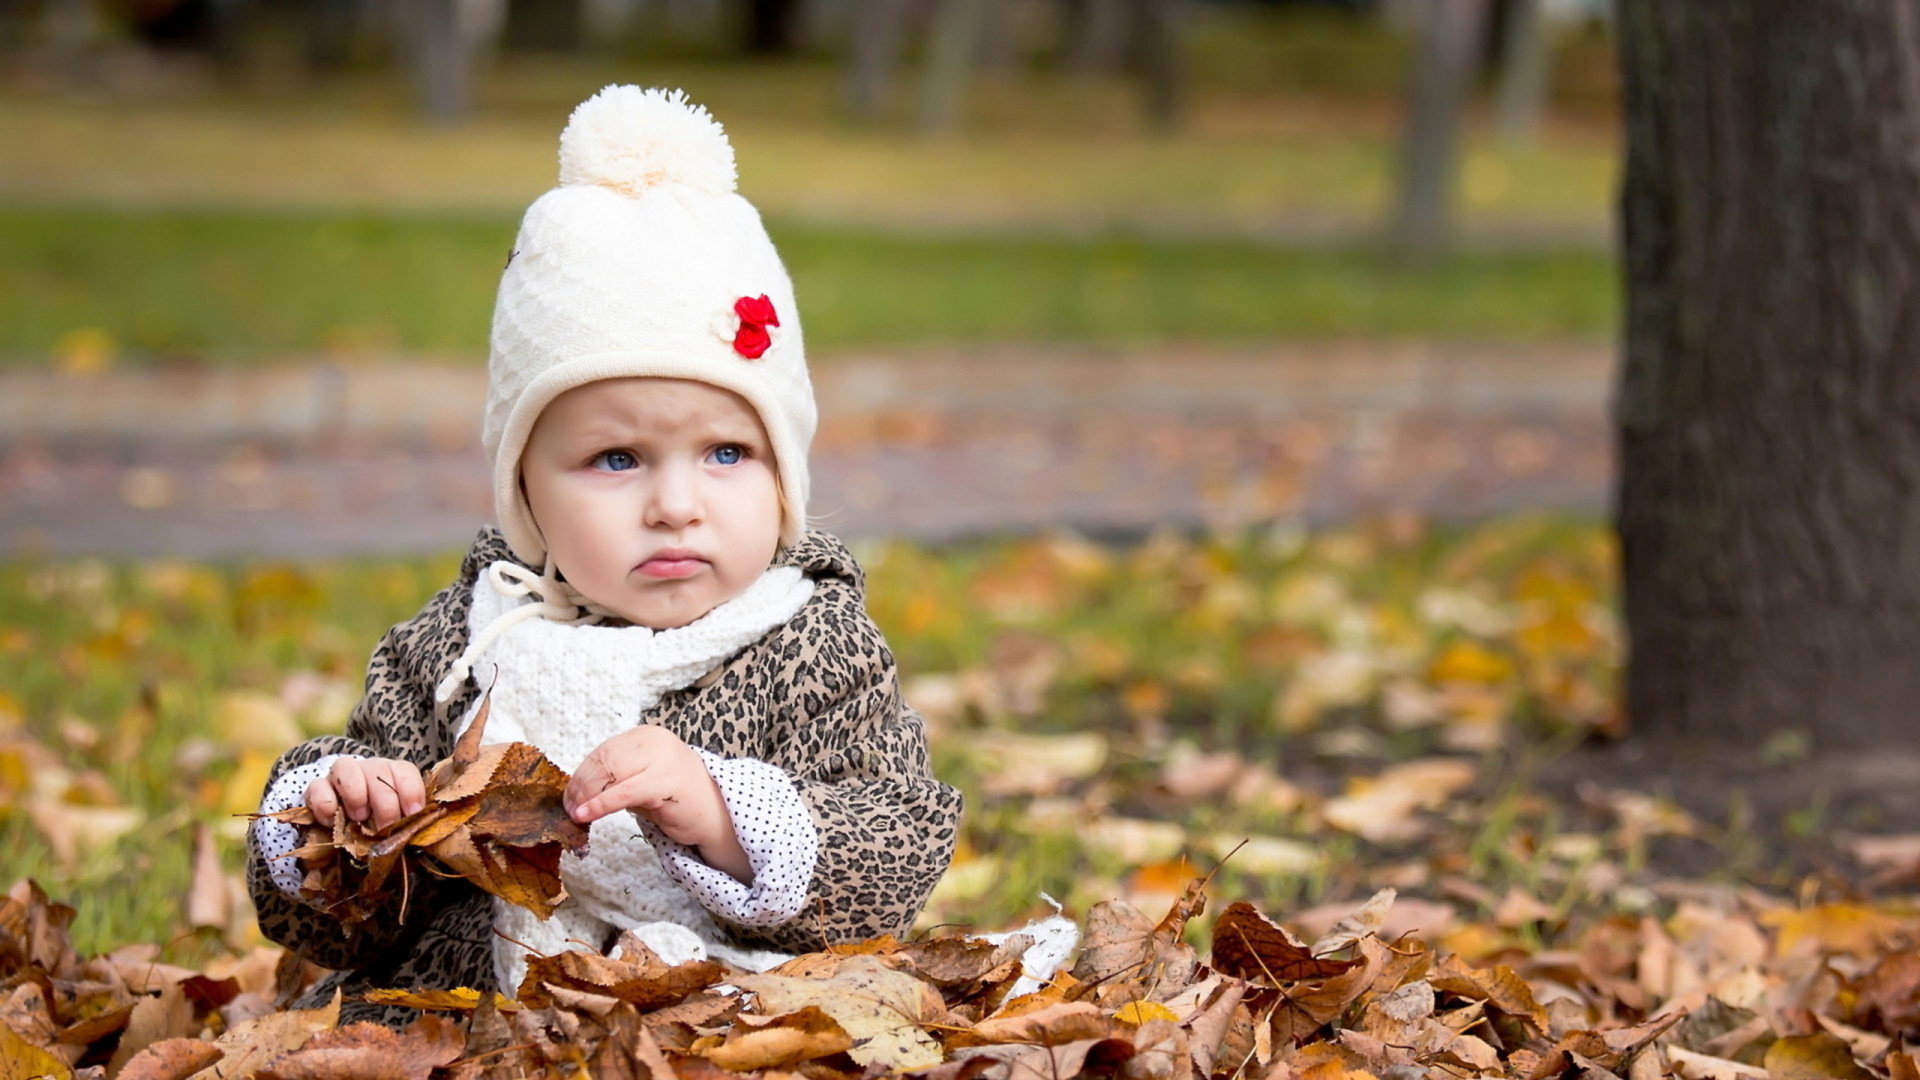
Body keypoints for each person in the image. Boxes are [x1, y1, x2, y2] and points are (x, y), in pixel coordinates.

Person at [246, 86, 965, 1027]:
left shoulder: (809, 642)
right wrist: (344, 822)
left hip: (730, 1008)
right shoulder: (468, 644)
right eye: (616, 459)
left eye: (726, 453)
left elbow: (897, 843)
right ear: (528, 495)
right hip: (476, 1011)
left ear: (785, 479)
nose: (675, 505)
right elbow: (342, 932)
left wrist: (725, 816)